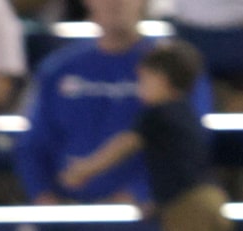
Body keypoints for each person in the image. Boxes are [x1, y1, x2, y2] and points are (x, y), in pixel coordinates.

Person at [58, 41, 229, 231]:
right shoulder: (183, 113)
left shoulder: (158, 114)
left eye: (144, 79)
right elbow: (174, 166)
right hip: (196, 199)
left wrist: (85, 169)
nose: (141, 87)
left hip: (192, 202)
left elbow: (123, 145)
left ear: (161, 80)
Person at [17, 0, 212, 209]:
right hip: (66, 211)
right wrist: (44, 196)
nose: (114, 3)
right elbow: (32, 145)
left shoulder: (175, 67)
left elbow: (189, 141)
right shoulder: (57, 69)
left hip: (154, 213)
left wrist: (139, 193)